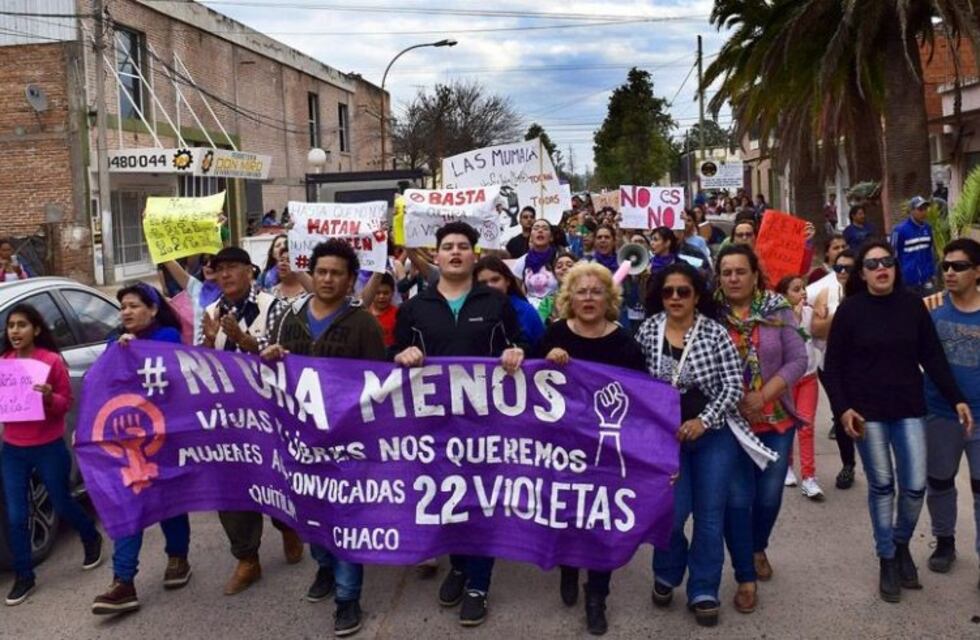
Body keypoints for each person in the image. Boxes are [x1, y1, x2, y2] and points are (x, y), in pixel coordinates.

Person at [823, 240, 973, 603]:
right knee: (882, 486)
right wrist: (843, 409)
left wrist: (956, 398)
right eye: (872, 264)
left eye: (886, 261)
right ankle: (888, 558)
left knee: (915, 486)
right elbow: (834, 367)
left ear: (895, 266)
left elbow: (932, 357)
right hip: (867, 413)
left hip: (909, 409)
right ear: (862, 274)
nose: (881, 268)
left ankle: (901, 542)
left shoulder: (912, 306)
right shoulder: (850, 311)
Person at [392, 221, 526, 627]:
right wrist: (401, 355)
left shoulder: (496, 302)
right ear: (435, 255)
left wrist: (516, 353)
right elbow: (393, 354)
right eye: (448, 246)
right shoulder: (415, 306)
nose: (455, 252)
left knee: (481, 501)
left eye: (463, 246)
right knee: (447, 498)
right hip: (432, 425)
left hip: (486, 424)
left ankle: (478, 584)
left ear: (473, 255)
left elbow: (521, 345)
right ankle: (459, 565)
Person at [263, 239, 387, 637]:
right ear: (311, 274)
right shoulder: (290, 318)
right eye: (322, 271)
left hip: (348, 443)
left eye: (337, 273)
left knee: (345, 518)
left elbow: (380, 384)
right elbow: (275, 373)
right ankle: (325, 568)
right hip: (301, 441)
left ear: (350, 280)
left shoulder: (363, 324)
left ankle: (348, 598)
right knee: (309, 512)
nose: (328, 279)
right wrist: (272, 357)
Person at [638, 263, 750, 628]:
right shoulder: (648, 330)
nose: (675, 298)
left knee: (709, 516)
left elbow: (733, 386)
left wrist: (704, 420)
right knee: (671, 514)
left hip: (712, 436)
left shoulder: (715, 333)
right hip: (665, 440)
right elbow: (635, 382)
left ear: (696, 296)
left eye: (683, 291)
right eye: (668, 292)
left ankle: (704, 589)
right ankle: (668, 571)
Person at [539, 262, 645, 634]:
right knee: (568, 514)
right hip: (561, 448)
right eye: (581, 291)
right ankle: (568, 566)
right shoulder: (554, 334)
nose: (588, 298)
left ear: (609, 298)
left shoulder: (625, 343)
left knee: (602, 522)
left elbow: (642, 397)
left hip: (607, 449)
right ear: (570, 297)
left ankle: (597, 595)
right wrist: (546, 360)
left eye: (596, 291)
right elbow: (529, 387)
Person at [200, 246, 303, 595]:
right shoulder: (211, 311)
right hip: (228, 417)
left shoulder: (274, 307)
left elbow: (285, 357)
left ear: (250, 271)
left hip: (268, 414)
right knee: (231, 487)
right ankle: (247, 558)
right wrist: (209, 341)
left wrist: (243, 340)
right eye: (219, 269)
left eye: (232, 267)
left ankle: (287, 526)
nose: (225, 274)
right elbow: (202, 366)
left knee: (274, 478)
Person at [715, 244, 807, 614]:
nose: (734, 278)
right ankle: (745, 577)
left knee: (768, 497)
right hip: (729, 424)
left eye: (741, 271)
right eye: (726, 272)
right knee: (737, 501)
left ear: (755, 275)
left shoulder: (777, 309)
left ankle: (756, 547)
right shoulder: (710, 313)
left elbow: (798, 359)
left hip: (775, 420)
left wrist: (763, 395)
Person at [91, 284, 190, 615]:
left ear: (153, 309)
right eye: (123, 308)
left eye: (134, 306)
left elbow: (172, 370)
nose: (127, 312)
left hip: (166, 434)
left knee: (169, 499)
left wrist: (137, 349)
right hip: (131, 440)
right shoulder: (115, 343)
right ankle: (123, 581)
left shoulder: (168, 337)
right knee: (128, 504)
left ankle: (178, 557)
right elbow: (102, 383)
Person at [1, 304, 102, 606]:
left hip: (47, 445)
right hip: (13, 449)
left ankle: (90, 536)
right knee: (16, 515)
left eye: (21, 325)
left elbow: (65, 404)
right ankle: (24, 575)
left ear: (36, 329)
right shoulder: (4, 363)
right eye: (11, 326)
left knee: (61, 501)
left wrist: (48, 397)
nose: (15, 331)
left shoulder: (50, 362)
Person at [922, 239, 980, 578]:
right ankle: (945, 541)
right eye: (945, 266)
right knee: (940, 482)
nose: (950, 272)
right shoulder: (930, 307)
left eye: (959, 266)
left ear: (977, 272)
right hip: (940, 413)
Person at [809, 249, 859, 489]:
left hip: (864, 367)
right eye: (839, 268)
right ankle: (848, 464)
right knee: (841, 415)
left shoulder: (870, 295)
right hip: (831, 366)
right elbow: (817, 330)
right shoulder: (825, 292)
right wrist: (842, 312)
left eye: (849, 268)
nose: (843, 273)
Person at [775, 275, 824, 500]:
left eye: (803, 288)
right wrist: (792, 319)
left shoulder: (810, 313)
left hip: (808, 378)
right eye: (796, 289)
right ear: (784, 295)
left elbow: (818, 340)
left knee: (806, 427)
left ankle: (809, 477)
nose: (803, 292)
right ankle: (787, 466)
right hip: (786, 381)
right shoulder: (776, 317)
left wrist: (823, 319)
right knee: (786, 427)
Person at [475, 256, 545, 350]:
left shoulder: (525, 311)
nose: (490, 286)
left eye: (495, 280)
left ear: (508, 281)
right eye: (483, 283)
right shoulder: (469, 311)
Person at [161, 254, 222, 344]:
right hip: (200, 349)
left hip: (224, 349)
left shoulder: (232, 292)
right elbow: (167, 260)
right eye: (204, 262)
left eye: (213, 262)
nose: (208, 265)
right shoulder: (196, 288)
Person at [891, 196, 937, 297]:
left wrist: (932, 272)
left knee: (932, 306)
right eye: (920, 209)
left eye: (925, 209)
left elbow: (929, 252)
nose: (924, 212)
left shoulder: (928, 228)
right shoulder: (899, 230)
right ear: (911, 211)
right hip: (908, 281)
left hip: (927, 279)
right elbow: (893, 256)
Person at [370, 273, 398, 348]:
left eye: (386, 293)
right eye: (377, 293)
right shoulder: (363, 313)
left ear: (392, 293)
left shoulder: (398, 315)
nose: (381, 296)